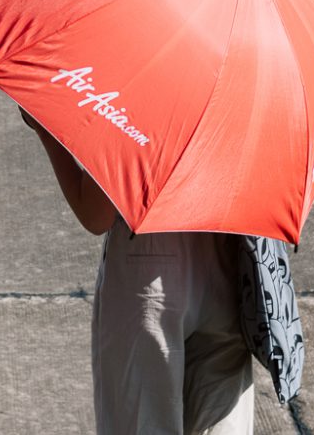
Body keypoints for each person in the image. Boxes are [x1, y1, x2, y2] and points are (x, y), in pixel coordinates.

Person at [25, 112, 265, 435]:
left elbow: (95, 213)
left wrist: (45, 130)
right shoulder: (249, 76)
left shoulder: (143, 81)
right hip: (231, 266)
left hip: (150, 270)